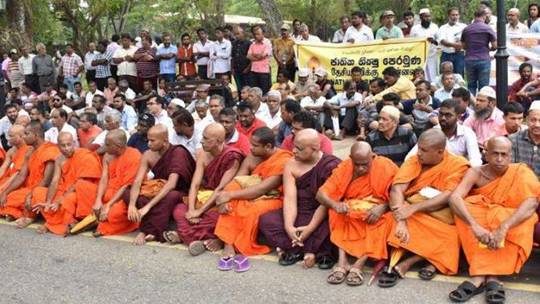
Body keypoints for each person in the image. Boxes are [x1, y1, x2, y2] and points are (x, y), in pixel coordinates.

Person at [449, 137, 539, 304]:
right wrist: (474, 226)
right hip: (484, 219)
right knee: (467, 211)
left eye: (504, 155)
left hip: (510, 218)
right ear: (486, 154)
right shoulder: (476, 172)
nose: (499, 159)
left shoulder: (521, 172)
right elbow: (455, 197)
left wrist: (504, 226)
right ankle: (490, 277)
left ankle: (484, 276)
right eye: (495, 154)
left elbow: (531, 203)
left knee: (523, 220)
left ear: (510, 156)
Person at [378, 129, 469, 288]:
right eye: (418, 148)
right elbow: (397, 189)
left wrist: (413, 210)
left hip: (438, 213)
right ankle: (426, 261)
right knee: (390, 222)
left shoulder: (457, 164)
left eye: (424, 150)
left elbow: (447, 195)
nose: (418, 153)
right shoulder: (414, 161)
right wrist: (401, 219)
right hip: (410, 211)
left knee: (454, 235)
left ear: (440, 152)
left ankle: (411, 260)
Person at [318, 142, 398, 285]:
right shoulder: (345, 167)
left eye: (365, 164)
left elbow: (398, 195)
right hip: (351, 207)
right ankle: (342, 262)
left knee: (388, 219)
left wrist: (383, 207)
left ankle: (359, 264)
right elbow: (321, 194)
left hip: (377, 209)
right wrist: (335, 205)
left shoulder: (386, 166)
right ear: (350, 158)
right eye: (357, 164)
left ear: (372, 156)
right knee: (334, 212)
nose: (361, 168)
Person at [214, 127, 293, 270]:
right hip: (251, 191)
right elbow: (239, 180)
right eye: (250, 144)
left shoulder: (283, 160)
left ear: (268, 146)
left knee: (249, 208)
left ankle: (236, 244)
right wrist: (225, 197)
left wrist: (230, 196)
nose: (250, 148)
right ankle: (228, 243)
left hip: (273, 197)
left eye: (255, 146)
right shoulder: (252, 156)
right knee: (232, 200)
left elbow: (263, 189)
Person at [259, 129, 340, 268]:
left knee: (334, 223)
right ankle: (312, 251)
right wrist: (289, 227)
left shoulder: (331, 165)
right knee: (267, 221)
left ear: (315, 148)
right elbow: (290, 198)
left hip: (320, 214)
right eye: (293, 146)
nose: (294, 151)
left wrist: (309, 228)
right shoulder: (291, 164)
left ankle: (294, 250)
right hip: (299, 211)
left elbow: (325, 203)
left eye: (299, 148)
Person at [170, 123, 244, 254]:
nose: (201, 141)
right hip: (202, 198)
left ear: (219, 141)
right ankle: (206, 238)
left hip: (219, 201)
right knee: (179, 210)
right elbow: (195, 184)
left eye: (206, 139)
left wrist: (199, 212)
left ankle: (184, 236)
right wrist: (192, 209)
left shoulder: (232, 156)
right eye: (202, 137)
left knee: (217, 218)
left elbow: (220, 189)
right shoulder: (202, 154)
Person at [123, 125, 195, 245]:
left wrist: (148, 206)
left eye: (153, 141)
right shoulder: (148, 154)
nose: (149, 144)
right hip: (159, 187)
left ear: (165, 141)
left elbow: (172, 184)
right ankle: (151, 227)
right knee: (127, 192)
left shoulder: (178, 152)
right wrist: (131, 205)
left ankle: (147, 231)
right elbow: (138, 181)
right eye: (148, 140)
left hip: (179, 190)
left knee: (170, 196)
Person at [31, 132, 102, 235]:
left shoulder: (85, 155)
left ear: (74, 143)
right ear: (58, 146)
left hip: (80, 191)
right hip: (65, 189)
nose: (66, 148)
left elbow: (80, 183)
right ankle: (68, 222)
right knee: (38, 192)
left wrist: (59, 201)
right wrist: (48, 201)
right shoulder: (59, 159)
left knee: (68, 199)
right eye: (63, 146)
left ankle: (52, 224)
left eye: (69, 144)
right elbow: (55, 180)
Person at [0, 122, 59, 227]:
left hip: (43, 190)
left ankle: (27, 215)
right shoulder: (30, 151)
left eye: (26, 134)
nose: (23, 137)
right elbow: (21, 176)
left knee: (31, 196)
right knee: (7, 196)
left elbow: (47, 180)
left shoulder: (50, 150)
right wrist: (5, 192)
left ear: (35, 135)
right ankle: (16, 212)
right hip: (29, 188)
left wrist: (30, 195)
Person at [92, 130, 142, 236]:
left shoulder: (134, 155)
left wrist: (109, 205)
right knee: (86, 193)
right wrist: (98, 199)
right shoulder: (108, 155)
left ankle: (99, 224)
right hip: (108, 192)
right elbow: (104, 178)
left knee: (114, 213)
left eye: (108, 144)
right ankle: (94, 220)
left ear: (118, 146)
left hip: (123, 196)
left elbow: (126, 185)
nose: (104, 147)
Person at [409, 99, 482, 167]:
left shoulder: (467, 133)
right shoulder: (432, 133)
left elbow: (476, 160)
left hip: (457, 173)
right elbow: (410, 157)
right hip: (434, 173)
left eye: (448, 115)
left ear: (458, 117)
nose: (443, 118)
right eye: (441, 114)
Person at [461, 8, 497, 95]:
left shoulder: (467, 29)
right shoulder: (487, 28)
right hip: (483, 59)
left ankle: (471, 105)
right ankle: (482, 104)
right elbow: (495, 46)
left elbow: (463, 46)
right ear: (484, 16)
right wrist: (487, 49)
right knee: (484, 86)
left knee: (471, 85)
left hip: (469, 59)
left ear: (474, 16)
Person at [0, 125, 31, 200]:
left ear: (20, 137)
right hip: (8, 179)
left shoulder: (28, 150)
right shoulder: (11, 151)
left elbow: (17, 175)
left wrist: (3, 188)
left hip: (19, 183)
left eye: (11, 136)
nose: (8, 138)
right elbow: (3, 168)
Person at [510, 100, 540, 176]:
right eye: (533, 120)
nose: (537, 125)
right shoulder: (514, 139)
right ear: (526, 120)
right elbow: (511, 170)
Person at [410, 9, 439, 82]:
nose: (428, 18)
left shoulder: (435, 27)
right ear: (421, 17)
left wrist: (433, 41)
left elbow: (439, 41)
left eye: (429, 16)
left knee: (432, 76)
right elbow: (411, 42)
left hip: (432, 56)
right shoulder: (415, 29)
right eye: (425, 16)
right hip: (419, 57)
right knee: (420, 75)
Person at [438, 8, 466, 76]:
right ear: (448, 16)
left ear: (459, 16)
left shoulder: (463, 27)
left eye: (457, 15)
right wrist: (457, 45)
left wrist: (461, 45)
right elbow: (443, 41)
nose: (455, 17)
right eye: (453, 15)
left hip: (459, 55)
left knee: (459, 75)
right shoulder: (443, 28)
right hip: (446, 55)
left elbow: (467, 40)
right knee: (444, 75)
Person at [247, 26, 272, 94]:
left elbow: (263, 55)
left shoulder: (267, 43)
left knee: (264, 91)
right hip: (254, 71)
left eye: (258, 34)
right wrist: (258, 56)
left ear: (263, 34)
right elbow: (248, 56)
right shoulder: (252, 44)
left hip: (264, 72)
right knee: (254, 91)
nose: (256, 36)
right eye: (255, 34)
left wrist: (254, 56)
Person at [231, 27, 252, 94]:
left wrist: (248, 68)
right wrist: (232, 68)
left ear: (243, 33)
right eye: (235, 34)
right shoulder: (234, 43)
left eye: (238, 34)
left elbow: (251, 58)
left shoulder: (249, 43)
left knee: (247, 87)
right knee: (239, 87)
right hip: (236, 69)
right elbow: (233, 57)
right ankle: (241, 100)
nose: (236, 36)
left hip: (246, 69)